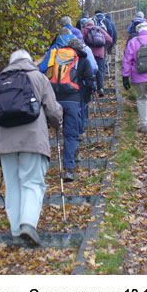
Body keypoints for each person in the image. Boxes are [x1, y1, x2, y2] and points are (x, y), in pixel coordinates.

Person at [0, 49, 63, 247]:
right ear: (28, 61)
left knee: (13, 185)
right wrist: (57, 122)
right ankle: (28, 223)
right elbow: (52, 111)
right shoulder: (38, 77)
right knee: (32, 182)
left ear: (11, 62)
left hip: (5, 144)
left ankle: (16, 231)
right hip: (33, 140)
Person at [38, 30, 94, 181]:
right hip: (73, 101)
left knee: (54, 132)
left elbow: (46, 73)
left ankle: (40, 168)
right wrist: (85, 98)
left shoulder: (56, 56)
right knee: (70, 134)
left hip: (54, 99)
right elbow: (89, 81)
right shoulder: (82, 59)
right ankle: (69, 169)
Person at [82, 18, 113, 97]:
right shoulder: (99, 29)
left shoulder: (84, 30)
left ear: (86, 24)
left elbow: (81, 41)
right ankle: (101, 88)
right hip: (100, 54)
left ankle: (91, 89)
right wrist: (103, 45)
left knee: (89, 71)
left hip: (89, 54)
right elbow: (110, 40)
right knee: (100, 71)